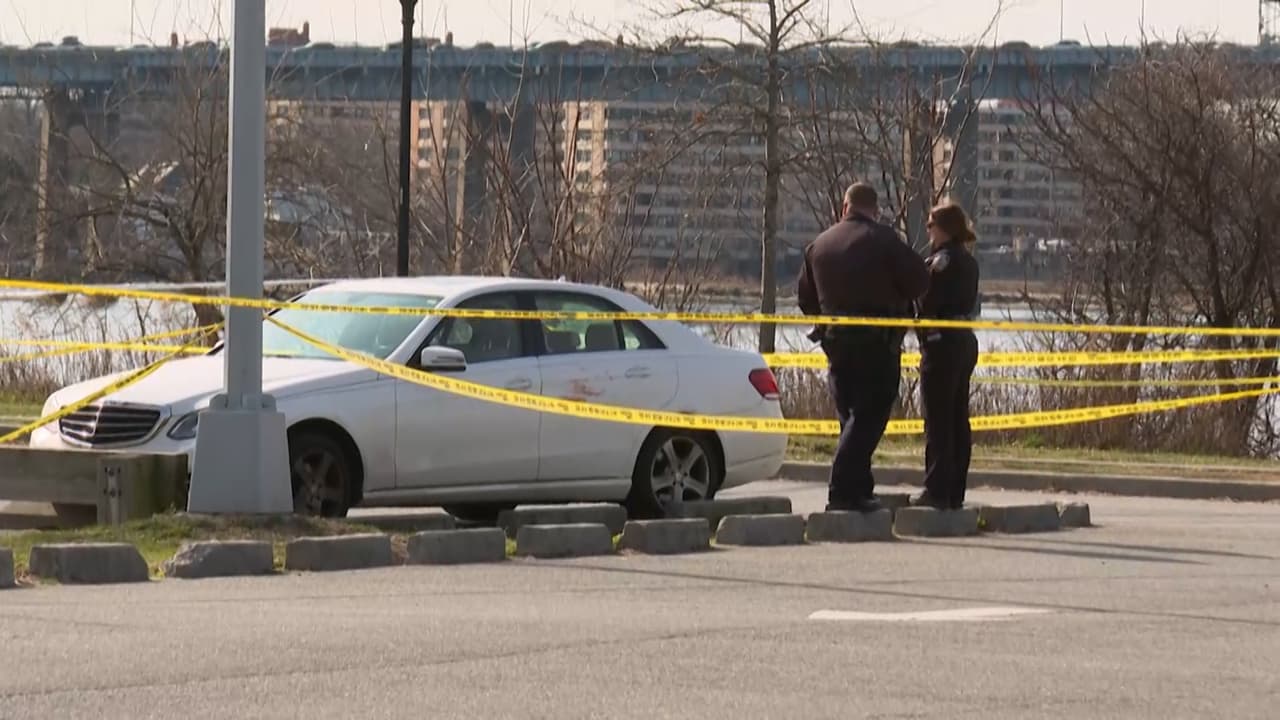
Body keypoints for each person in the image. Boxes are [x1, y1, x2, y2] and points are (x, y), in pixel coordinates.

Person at [797, 183, 929, 513]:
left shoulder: (819, 245)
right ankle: (842, 489)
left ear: (845, 207)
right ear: (875, 210)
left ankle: (859, 490)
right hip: (877, 344)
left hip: (836, 345)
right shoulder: (884, 240)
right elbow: (919, 281)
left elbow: (806, 300)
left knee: (850, 419)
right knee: (870, 416)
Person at [913, 201, 981, 510]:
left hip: (941, 344)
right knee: (957, 417)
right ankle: (955, 490)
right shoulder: (969, 261)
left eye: (931, 225)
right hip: (964, 340)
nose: (928, 231)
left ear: (944, 228)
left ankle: (937, 489)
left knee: (938, 420)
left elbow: (926, 304)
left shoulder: (941, 262)